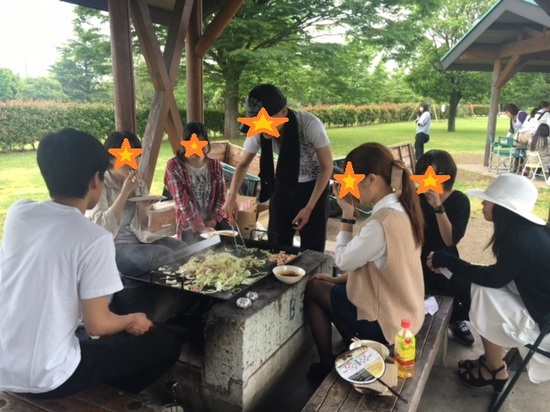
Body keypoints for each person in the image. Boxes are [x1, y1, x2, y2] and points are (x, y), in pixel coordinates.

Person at [0, 128, 180, 399]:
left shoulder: (18, 213)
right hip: (48, 377)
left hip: (4, 367)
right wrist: (133, 319)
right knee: (167, 344)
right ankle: (111, 396)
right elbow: (98, 325)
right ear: (96, 180)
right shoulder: (94, 238)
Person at [304, 142, 425, 382]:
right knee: (330, 288)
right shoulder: (403, 207)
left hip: (388, 323)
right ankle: (355, 343)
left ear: (371, 179)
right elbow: (381, 266)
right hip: (408, 314)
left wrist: (347, 215)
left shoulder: (381, 223)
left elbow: (343, 260)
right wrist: (336, 281)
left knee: (314, 288)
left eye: (354, 181)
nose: (352, 189)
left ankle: (327, 364)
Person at [428, 173, 550, 390]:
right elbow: (496, 275)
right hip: (538, 310)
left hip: (542, 327)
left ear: (504, 208)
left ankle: (495, 369)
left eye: (488, 200)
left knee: (478, 293)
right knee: (475, 288)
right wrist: (450, 267)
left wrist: (448, 261)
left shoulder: (519, 239)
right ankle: (490, 361)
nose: (483, 204)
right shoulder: (528, 233)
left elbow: (492, 279)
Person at [86, 131, 190, 322]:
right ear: (111, 158)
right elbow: (102, 227)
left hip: (140, 240)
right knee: (163, 256)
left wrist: (143, 208)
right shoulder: (101, 184)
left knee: (184, 248)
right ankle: (161, 311)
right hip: (113, 247)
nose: (132, 161)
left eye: (136, 156)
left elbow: (144, 226)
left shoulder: (137, 183)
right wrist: (125, 192)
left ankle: (184, 304)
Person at [223, 84, 333, 252]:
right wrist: (231, 197)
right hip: (283, 184)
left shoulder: (309, 125)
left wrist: (309, 207)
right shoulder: (258, 128)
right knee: (276, 243)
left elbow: (327, 167)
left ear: (284, 112)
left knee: (312, 249)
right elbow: (243, 164)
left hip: (313, 186)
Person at [415, 150, 473, 346]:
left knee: (467, 298)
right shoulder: (416, 198)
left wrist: (438, 207)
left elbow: (450, 240)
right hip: (417, 259)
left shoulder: (459, 200)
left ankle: (454, 318)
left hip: (444, 260)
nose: (425, 178)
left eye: (431, 173)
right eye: (421, 173)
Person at [165, 122, 231, 244]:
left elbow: (221, 196)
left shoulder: (214, 164)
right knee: (198, 248)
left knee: (231, 242)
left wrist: (214, 220)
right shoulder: (174, 166)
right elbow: (183, 202)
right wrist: (201, 227)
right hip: (189, 223)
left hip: (212, 219)